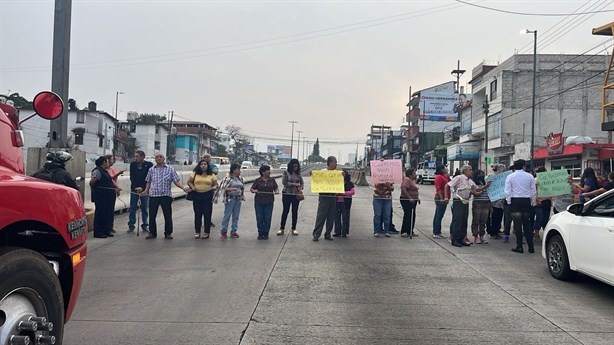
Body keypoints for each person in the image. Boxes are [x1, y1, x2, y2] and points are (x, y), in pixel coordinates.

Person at [141, 153, 190, 240]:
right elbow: (148, 181)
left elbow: (176, 181)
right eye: (157, 157)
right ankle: (152, 232)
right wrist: (145, 191)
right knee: (152, 215)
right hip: (154, 195)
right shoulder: (151, 170)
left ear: (164, 158)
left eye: (161, 157)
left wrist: (183, 188)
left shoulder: (170, 169)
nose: (159, 158)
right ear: (155, 159)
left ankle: (168, 233)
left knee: (167, 215)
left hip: (166, 195)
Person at [445, 165, 490, 247]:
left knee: (464, 220)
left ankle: (461, 239)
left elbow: (476, 189)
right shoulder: (459, 178)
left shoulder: (470, 181)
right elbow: (447, 185)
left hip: (465, 201)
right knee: (458, 220)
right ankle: (455, 239)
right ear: (465, 171)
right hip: (458, 201)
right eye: (470, 170)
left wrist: (486, 186)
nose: (471, 171)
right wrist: (446, 197)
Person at [504, 159, 536, 254]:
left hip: (515, 201)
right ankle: (531, 247)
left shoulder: (510, 176)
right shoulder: (530, 176)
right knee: (527, 225)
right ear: (524, 166)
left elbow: (507, 191)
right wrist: (532, 201)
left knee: (517, 225)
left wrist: (509, 201)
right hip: (526, 201)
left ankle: (519, 246)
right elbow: (533, 191)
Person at [188, 159, 218, 239]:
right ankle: (197, 232)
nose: (203, 166)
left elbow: (216, 185)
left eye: (205, 164)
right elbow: (189, 182)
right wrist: (192, 187)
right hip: (197, 195)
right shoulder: (195, 174)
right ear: (199, 165)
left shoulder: (211, 175)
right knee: (197, 214)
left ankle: (206, 232)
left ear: (207, 166)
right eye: (202, 164)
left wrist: (213, 188)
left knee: (207, 214)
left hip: (208, 195)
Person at [312, 156, 340, 241]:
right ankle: (316, 234)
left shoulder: (337, 173)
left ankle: (328, 234)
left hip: (333, 196)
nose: (336, 164)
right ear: (330, 162)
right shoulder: (323, 172)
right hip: (324, 196)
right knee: (321, 216)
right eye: (335, 162)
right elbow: (317, 181)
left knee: (331, 216)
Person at [213, 163, 244, 238]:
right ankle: (223, 231)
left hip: (238, 199)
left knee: (236, 216)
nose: (240, 171)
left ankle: (234, 231)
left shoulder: (240, 179)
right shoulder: (227, 178)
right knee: (227, 216)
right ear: (234, 170)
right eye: (238, 169)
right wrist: (231, 189)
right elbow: (223, 188)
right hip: (230, 199)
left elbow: (242, 187)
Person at [89, 156, 116, 238]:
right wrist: (96, 188)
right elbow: (92, 182)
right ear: (104, 162)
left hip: (108, 196)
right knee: (101, 213)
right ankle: (99, 232)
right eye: (107, 161)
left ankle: (106, 230)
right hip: (101, 196)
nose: (109, 163)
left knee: (107, 213)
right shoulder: (97, 171)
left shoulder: (105, 171)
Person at [250, 165, 279, 240]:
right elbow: (252, 189)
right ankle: (260, 233)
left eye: (269, 170)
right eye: (267, 170)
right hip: (259, 202)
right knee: (259, 218)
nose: (269, 172)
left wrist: (276, 191)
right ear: (263, 172)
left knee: (267, 218)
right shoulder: (258, 180)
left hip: (269, 202)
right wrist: (255, 191)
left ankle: (266, 233)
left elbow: (276, 188)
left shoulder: (272, 180)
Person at [128, 150, 153, 234]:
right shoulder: (133, 164)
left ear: (142, 157)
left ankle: (145, 225)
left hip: (145, 189)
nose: (135, 158)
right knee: (132, 208)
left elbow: (148, 178)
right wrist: (135, 187)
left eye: (137, 156)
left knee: (144, 208)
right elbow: (132, 176)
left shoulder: (149, 165)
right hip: (134, 189)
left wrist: (142, 188)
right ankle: (131, 225)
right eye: (135, 156)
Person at [279, 159, 304, 236]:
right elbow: (284, 182)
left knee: (295, 211)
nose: (295, 167)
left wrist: (301, 188)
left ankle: (294, 228)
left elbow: (302, 182)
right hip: (287, 193)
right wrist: (294, 184)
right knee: (285, 211)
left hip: (295, 194)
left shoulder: (298, 173)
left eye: (297, 166)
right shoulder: (286, 172)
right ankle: (282, 228)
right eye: (294, 166)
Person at [470, 169, 491, 244]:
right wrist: (485, 186)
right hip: (477, 203)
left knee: (483, 221)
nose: (481, 176)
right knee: (476, 220)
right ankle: (476, 236)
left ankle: (482, 236)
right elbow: (476, 191)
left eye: (482, 174)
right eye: (479, 174)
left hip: (486, 203)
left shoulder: (484, 182)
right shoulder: (473, 183)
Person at [486, 164, 506, 240]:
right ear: (499, 169)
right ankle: (492, 232)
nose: (503, 170)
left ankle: (497, 229)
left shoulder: (502, 177)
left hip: (501, 200)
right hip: (493, 200)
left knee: (499, 215)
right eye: (502, 169)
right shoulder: (491, 176)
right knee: (493, 216)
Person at [532, 166, 552, 241]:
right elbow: (533, 191)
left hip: (547, 201)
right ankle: (536, 233)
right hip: (539, 201)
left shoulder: (549, 180)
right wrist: (536, 200)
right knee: (539, 218)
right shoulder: (535, 180)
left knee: (546, 218)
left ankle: (546, 234)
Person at [333, 171, 355, 237]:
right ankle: (337, 232)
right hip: (336, 202)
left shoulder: (350, 184)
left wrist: (343, 193)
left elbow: (352, 192)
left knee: (345, 218)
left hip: (346, 203)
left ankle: (344, 232)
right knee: (336, 218)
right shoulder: (336, 183)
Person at [400, 168, 420, 238]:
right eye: (414, 173)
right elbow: (404, 188)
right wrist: (409, 198)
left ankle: (410, 231)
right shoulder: (407, 179)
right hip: (406, 200)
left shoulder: (413, 180)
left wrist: (417, 198)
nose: (415, 174)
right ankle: (404, 231)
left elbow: (414, 190)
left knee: (412, 216)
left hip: (413, 200)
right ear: (410, 175)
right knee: (408, 215)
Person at [432, 164, 450, 239]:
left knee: (439, 215)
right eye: (445, 168)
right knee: (439, 215)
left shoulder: (444, 176)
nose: (446, 169)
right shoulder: (439, 177)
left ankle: (437, 231)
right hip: (440, 197)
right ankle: (436, 232)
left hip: (445, 197)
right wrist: (441, 197)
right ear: (442, 169)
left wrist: (448, 176)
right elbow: (438, 188)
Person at [201, 153, 218, 227]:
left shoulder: (213, 166)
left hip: (210, 190)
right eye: (205, 157)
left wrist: (207, 170)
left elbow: (216, 171)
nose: (206, 159)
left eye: (208, 157)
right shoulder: (199, 166)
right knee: (199, 207)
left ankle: (208, 221)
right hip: (199, 190)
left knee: (208, 207)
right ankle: (200, 220)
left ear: (210, 159)